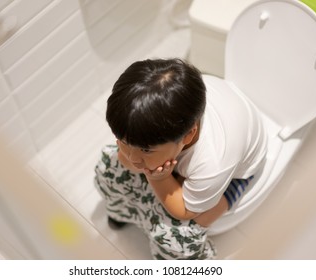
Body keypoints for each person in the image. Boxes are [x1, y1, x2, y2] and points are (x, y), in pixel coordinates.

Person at [94, 58, 267, 259]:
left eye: (145, 150)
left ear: (189, 135)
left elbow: (185, 212)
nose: (133, 157)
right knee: (108, 165)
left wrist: (158, 178)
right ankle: (123, 212)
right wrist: (144, 161)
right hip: (224, 120)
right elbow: (127, 159)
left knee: (181, 234)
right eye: (122, 141)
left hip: (238, 172)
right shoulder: (171, 105)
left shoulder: (213, 163)